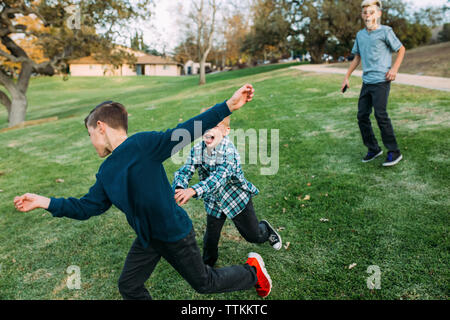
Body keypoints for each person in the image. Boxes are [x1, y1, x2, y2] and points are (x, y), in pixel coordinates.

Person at [13, 84, 272, 299]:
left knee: (204, 283)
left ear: (101, 127)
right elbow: (86, 207)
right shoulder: (106, 172)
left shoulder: (144, 145)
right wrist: (44, 201)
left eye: (90, 134)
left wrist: (227, 106)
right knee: (129, 285)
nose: (91, 141)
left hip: (174, 234)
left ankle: (253, 273)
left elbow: (185, 131)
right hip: (147, 238)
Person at [172, 108, 282, 268]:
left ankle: (264, 229)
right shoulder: (197, 149)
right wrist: (180, 187)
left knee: (252, 236)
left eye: (214, 127)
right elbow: (186, 169)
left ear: (226, 131)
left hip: (236, 200)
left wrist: (193, 190)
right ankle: (207, 265)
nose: (208, 131)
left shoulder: (229, 151)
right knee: (211, 236)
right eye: (204, 126)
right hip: (214, 202)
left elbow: (219, 178)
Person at [341, 0, 406, 167]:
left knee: (380, 115)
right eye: (364, 12)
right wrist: (346, 76)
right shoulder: (360, 35)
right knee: (362, 115)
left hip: (382, 81)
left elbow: (401, 49)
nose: (367, 15)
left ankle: (394, 151)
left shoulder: (386, 31)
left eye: (371, 12)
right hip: (367, 82)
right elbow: (357, 57)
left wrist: (394, 69)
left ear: (378, 14)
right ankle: (374, 148)